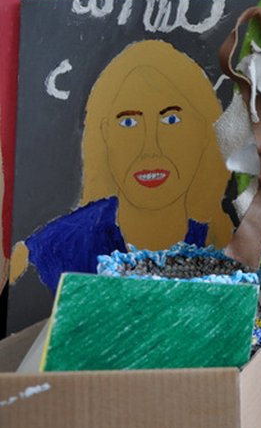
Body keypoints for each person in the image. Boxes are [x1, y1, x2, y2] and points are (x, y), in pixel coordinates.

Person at [9, 40, 233, 291]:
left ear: (204, 131)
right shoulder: (46, 254)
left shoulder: (228, 248)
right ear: (104, 135)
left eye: (171, 120)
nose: (150, 149)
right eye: (128, 123)